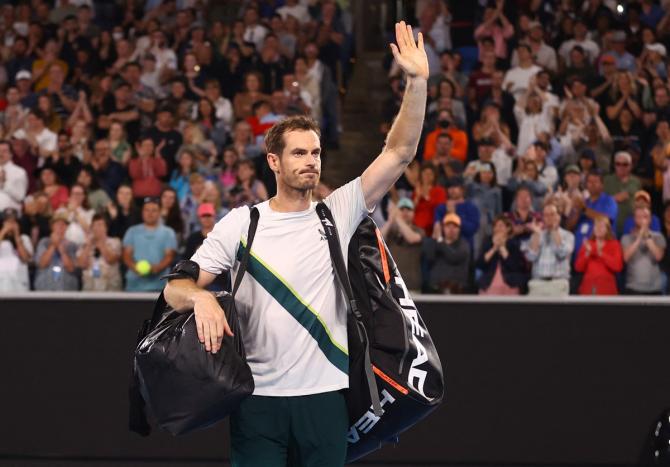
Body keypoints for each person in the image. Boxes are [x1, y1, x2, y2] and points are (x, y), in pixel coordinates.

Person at [163, 22, 428, 466]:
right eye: (298, 153)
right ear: (274, 162)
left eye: (316, 153)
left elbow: (398, 152)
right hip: (257, 401)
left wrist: (417, 83)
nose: (310, 162)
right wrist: (201, 300)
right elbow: (175, 288)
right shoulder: (241, 224)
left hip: (325, 397)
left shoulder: (337, 212)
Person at [123, 197, 177, 292]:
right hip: (134, 285)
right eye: (147, 210)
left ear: (159, 212)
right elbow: (126, 255)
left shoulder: (168, 232)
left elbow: (169, 256)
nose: (150, 213)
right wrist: (135, 268)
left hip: (159, 286)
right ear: (142, 212)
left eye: (154, 210)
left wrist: (157, 268)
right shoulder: (132, 231)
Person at [523, 203, 575, 296]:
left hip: (558, 283)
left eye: (552, 214)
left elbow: (562, 253)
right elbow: (531, 257)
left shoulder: (568, 235)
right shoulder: (537, 234)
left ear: (558, 217)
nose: (549, 218)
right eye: (546, 215)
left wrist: (554, 230)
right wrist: (537, 235)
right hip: (538, 283)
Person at [380, 197, 424, 292]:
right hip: (391, 286)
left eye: (408, 209)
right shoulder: (390, 232)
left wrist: (397, 218)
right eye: (402, 209)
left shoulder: (419, 230)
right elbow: (378, 239)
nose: (405, 212)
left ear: (413, 213)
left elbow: (412, 239)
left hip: (411, 286)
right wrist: (390, 220)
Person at [477, 215, 527, 295]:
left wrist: (502, 248)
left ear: (508, 229)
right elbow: (480, 264)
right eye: (495, 226)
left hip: (510, 283)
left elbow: (515, 266)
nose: (497, 228)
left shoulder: (514, 244)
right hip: (489, 282)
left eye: (500, 226)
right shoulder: (488, 243)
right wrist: (494, 248)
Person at [621, 205, 666, 295]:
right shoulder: (626, 238)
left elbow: (658, 256)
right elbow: (626, 257)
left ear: (650, 219)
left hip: (654, 288)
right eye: (639, 217)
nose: (642, 220)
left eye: (645, 217)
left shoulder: (658, 237)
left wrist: (647, 236)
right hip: (633, 287)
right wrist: (639, 237)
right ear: (634, 219)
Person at [422, 212, 471, 294]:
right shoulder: (437, 242)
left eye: (455, 226)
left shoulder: (464, 244)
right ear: (443, 228)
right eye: (448, 226)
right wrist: (434, 239)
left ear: (459, 229)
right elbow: (429, 257)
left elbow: (454, 257)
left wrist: (440, 241)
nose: (451, 229)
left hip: (456, 291)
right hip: (436, 291)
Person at [574, 216, 623, 295]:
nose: (598, 228)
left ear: (608, 229)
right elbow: (578, 268)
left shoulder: (614, 244)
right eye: (596, 225)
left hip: (607, 288)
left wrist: (600, 253)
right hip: (588, 288)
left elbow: (617, 267)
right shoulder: (588, 244)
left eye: (602, 226)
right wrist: (587, 253)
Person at [76, 214, 122, 291]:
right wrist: (88, 246)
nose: (97, 228)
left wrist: (101, 243)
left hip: (110, 291)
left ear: (106, 228)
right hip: (90, 290)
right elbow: (81, 264)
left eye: (100, 225)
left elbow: (110, 259)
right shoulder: (85, 245)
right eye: (95, 225)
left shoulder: (115, 242)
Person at [34, 212, 79, 291]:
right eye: (58, 224)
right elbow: (42, 264)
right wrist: (53, 245)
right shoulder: (44, 242)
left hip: (66, 291)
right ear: (52, 226)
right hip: (45, 290)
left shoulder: (72, 245)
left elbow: (71, 268)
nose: (61, 227)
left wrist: (60, 248)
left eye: (64, 224)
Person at [604, 150, 642, 234]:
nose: (621, 167)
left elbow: (639, 203)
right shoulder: (606, 180)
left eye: (625, 164)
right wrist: (614, 198)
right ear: (614, 165)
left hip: (630, 225)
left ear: (630, 166)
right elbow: (602, 201)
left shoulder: (636, 182)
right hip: (610, 225)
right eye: (618, 164)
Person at [0, 208, 33, 292]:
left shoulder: (24, 238)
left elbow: (25, 258)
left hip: (19, 282)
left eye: (13, 221)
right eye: (7, 221)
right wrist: (3, 232)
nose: (10, 224)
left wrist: (16, 235)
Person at [0, 140, 28, 213]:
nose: (1, 154)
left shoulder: (19, 172)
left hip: (10, 214)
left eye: (4, 151)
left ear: (11, 154)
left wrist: (4, 183)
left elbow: (20, 197)